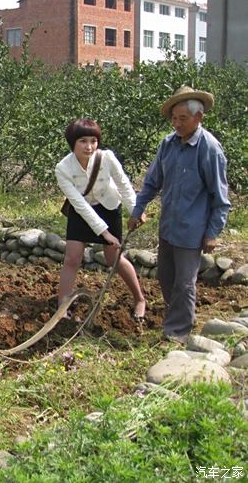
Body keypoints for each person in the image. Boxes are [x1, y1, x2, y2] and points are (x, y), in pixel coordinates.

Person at [128, 86, 230, 344]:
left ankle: (178, 332)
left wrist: (212, 232)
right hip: (169, 226)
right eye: (174, 118)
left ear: (199, 118)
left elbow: (221, 198)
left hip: (191, 229)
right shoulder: (168, 144)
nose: (177, 123)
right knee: (166, 277)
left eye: (182, 118)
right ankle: (182, 316)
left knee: (185, 283)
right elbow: (152, 182)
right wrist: (138, 209)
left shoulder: (209, 149)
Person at [55, 118, 146, 320]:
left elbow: (123, 184)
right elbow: (79, 203)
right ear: (73, 143)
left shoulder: (107, 158)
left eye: (93, 141)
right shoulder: (63, 168)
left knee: (113, 257)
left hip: (109, 205)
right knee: (72, 256)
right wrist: (104, 232)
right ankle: (63, 305)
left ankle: (139, 298)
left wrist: (135, 210)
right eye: (83, 141)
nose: (89, 147)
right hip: (82, 209)